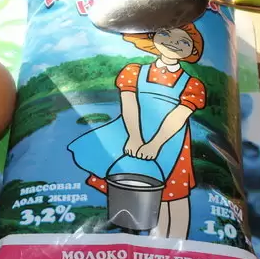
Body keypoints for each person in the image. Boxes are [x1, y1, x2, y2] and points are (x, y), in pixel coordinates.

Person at [67, 23, 206, 239]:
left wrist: (155, 144)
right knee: (136, 184)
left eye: (184, 41)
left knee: (175, 197)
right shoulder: (134, 71)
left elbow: (178, 116)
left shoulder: (193, 84)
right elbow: (129, 103)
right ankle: (146, 243)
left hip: (172, 142)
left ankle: (178, 247)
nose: (173, 43)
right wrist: (134, 137)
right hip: (132, 134)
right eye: (165, 33)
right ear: (152, 37)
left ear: (193, 51)